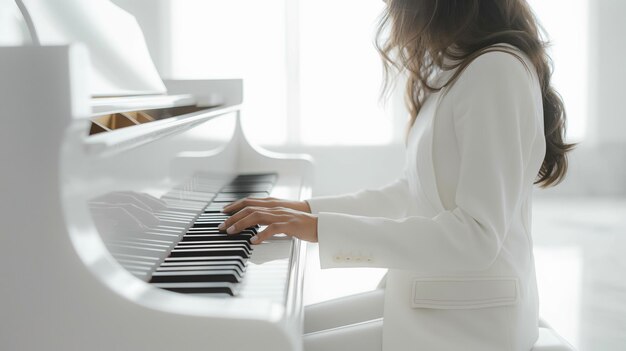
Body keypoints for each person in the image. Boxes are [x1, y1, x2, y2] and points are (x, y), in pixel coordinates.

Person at [218, 0, 574, 350]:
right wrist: (306, 210)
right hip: (438, 296)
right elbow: (410, 193)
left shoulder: (497, 69)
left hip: (475, 322)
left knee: (266, 343)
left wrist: (319, 230)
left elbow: (477, 237)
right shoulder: (460, 66)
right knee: (265, 334)